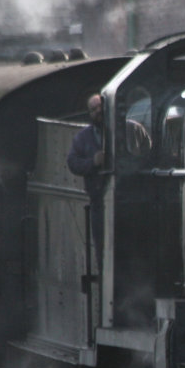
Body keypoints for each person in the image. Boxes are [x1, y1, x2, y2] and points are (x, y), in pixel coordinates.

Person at [67, 93, 107, 265]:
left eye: (101, 107)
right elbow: (73, 163)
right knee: (101, 248)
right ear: (89, 114)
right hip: (98, 200)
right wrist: (93, 162)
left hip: (126, 198)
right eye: (94, 109)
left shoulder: (130, 128)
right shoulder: (83, 138)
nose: (98, 111)